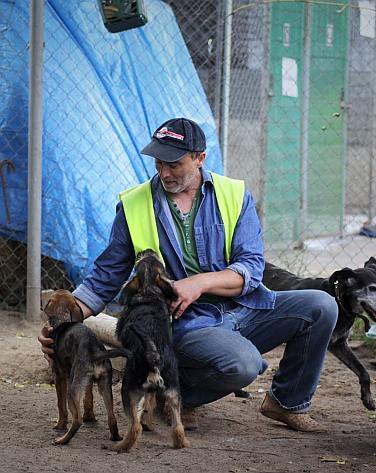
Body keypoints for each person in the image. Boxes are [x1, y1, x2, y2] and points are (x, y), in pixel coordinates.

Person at [39, 117, 338, 432]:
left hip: (245, 309)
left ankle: (286, 402)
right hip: (183, 324)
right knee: (243, 363)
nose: (164, 172)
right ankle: (172, 396)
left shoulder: (233, 195)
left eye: (175, 164)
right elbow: (104, 279)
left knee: (321, 305)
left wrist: (199, 282)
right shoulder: (135, 205)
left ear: (199, 158)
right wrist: (62, 325)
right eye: (159, 162)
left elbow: (251, 267)